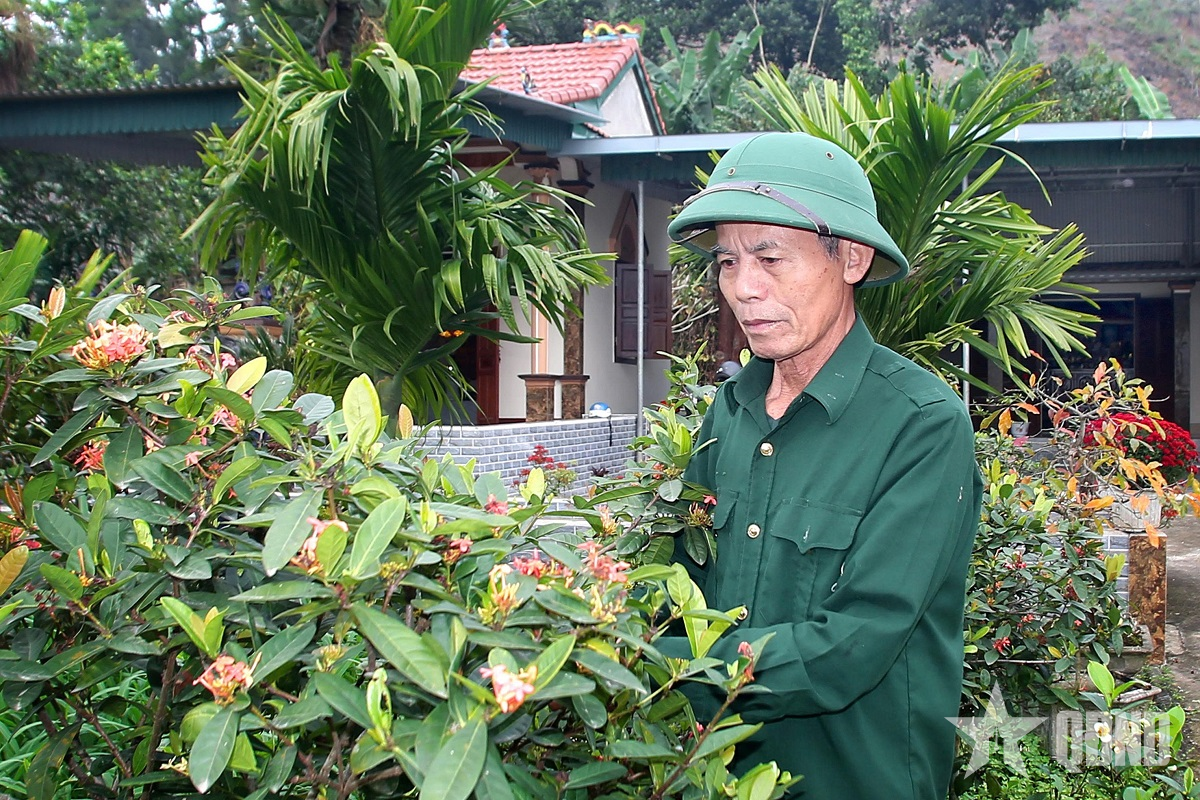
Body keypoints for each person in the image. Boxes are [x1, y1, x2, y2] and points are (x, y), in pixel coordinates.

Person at [660, 131, 984, 799]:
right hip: (721, 779)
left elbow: (854, 643)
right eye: (726, 262)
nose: (744, 289)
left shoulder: (920, 423)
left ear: (853, 258)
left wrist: (655, 665)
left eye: (771, 257)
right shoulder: (730, 412)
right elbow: (683, 582)